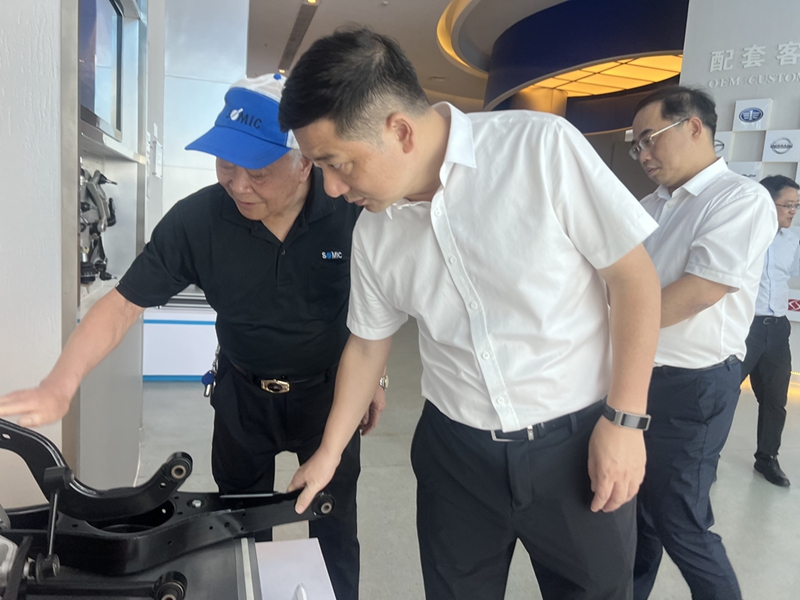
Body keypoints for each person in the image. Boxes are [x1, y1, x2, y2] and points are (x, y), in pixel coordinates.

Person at [278, 28, 662, 600]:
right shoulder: (374, 233)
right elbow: (367, 343)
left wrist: (625, 422)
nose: (332, 189)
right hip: (454, 459)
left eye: (339, 164)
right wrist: (328, 453)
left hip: (577, 446)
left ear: (400, 131)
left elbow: (633, 280)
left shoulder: (540, 149)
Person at [0, 73, 384, 600]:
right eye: (226, 165)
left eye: (258, 171)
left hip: (330, 394)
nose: (238, 185)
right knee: (239, 527)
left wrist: (374, 379)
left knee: (334, 525)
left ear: (304, 163)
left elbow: (376, 311)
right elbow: (123, 304)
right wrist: (60, 384)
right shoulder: (199, 220)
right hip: (243, 396)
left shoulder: (349, 210)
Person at [629, 86, 777, 600]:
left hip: (692, 386)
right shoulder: (649, 205)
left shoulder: (740, 198)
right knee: (634, 515)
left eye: (650, 139)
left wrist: (612, 327)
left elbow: (699, 292)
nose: (643, 154)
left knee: (680, 521)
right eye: (636, 146)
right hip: (636, 376)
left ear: (694, 127)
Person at [740, 175, 800, 487]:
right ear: (766, 202)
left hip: (777, 330)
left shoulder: (792, 239)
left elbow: (790, 273)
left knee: (776, 399)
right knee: (724, 394)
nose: (793, 211)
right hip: (744, 327)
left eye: (796, 205)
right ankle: (706, 457)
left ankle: (767, 458)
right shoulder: (741, 234)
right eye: (787, 204)